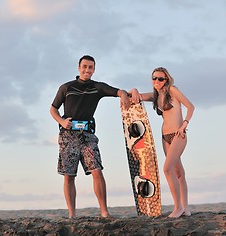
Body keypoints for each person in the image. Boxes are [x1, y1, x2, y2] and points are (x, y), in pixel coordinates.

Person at [50, 55, 130, 218]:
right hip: (68, 136)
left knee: (97, 171)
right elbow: (53, 108)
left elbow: (118, 91)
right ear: (79, 68)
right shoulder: (66, 87)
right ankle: (72, 215)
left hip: (88, 136)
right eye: (85, 66)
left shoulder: (97, 87)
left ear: (94, 69)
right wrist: (62, 121)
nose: (87, 70)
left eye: (91, 67)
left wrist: (124, 95)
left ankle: (104, 212)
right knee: (69, 176)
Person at [130, 67, 194, 218]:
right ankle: (185, 208)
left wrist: (185, 123)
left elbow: (190, 106)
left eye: (160, 78)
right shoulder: (156, 95)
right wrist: (133, 89)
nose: (156, 81)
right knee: (179, 172)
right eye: (154, 78)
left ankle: (178, 207)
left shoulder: (172, 90)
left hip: (178, 135)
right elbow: (136, 96)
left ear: (166, 80)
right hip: (165, 137)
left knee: (167, 169)